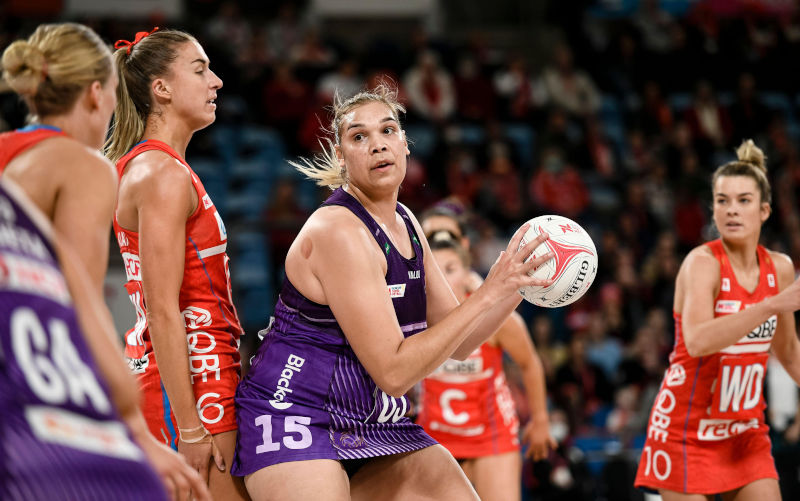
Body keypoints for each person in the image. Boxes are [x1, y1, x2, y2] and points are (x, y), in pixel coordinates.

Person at [231, 84, 554, 500]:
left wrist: (516, 283)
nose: (378, 145)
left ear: (406, 146)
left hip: (373, 422)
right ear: (341, 158)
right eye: (359, 137)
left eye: (388, 131)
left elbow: (461, 341)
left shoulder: (406, 221)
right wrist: (489, 292)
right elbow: (395, 373)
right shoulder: (338, 230)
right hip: (297, 415)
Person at [0, 22, 208, 501]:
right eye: (115, 94)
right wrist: (136, 430)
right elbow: (83, 307)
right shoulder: (83, 164)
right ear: (97, 95)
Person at [105, 28, 247, 500]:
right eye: (200, 68)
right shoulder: (161, 173)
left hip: (193, 376)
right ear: (161, 89)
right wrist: (189, 428)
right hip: (192, 384)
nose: (217, 82)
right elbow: (162, 308)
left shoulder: (155, 167)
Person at [634, 140, 800, 500]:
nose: (731, 210)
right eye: (722, 201)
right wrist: (769, 306)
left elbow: (788, 351)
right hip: (685, 430)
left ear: (765, 211)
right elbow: (697, 341)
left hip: (745, 431)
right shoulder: (702, 263)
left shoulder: (781, 268)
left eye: (743, 201)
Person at [416, 230, 556, 501]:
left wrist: (540, 419)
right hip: (434, 435)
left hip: (492, 434)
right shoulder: (413, 316)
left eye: (451, 268)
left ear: (467, 274)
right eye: (437, 269)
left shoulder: (493, 317)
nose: (443, 277)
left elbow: (529, 362)